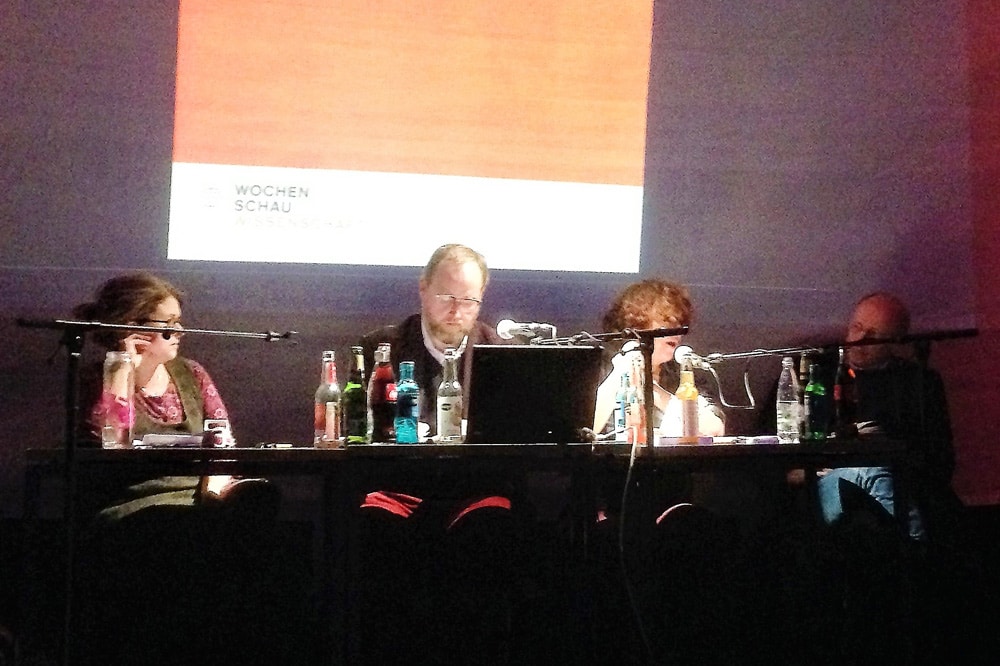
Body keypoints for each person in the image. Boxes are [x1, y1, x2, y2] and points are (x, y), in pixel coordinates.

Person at [72, 273, 304, 666]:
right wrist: (123, 368)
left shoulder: (191, 373)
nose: (180, 332)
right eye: (168, 325)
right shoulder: (103, 375)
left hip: (197, 494)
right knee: (183, 531)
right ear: (134, 328)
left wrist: (214, 491)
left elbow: (221, 440)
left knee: (256, 506)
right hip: (134, 501)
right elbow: (109, 438)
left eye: (180, 322)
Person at [814, 291, 959, 542]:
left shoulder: (918, 382)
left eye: (873, 335)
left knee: (873, 475)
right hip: (826, 477)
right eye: (857, 327)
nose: (859, 339)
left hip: (897, 478)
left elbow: (940, 457)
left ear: (894, 341)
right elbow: (778, 436)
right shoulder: (816, 373)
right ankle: (911, 544)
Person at [593, 279, 724, 439]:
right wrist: (623, 372)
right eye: (667, 323)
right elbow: (584, 427)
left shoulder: (684, 373)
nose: (676, 332)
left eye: (680, 324)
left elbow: (714, 429)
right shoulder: (600, 367)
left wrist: (653, 390)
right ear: (638, 325)